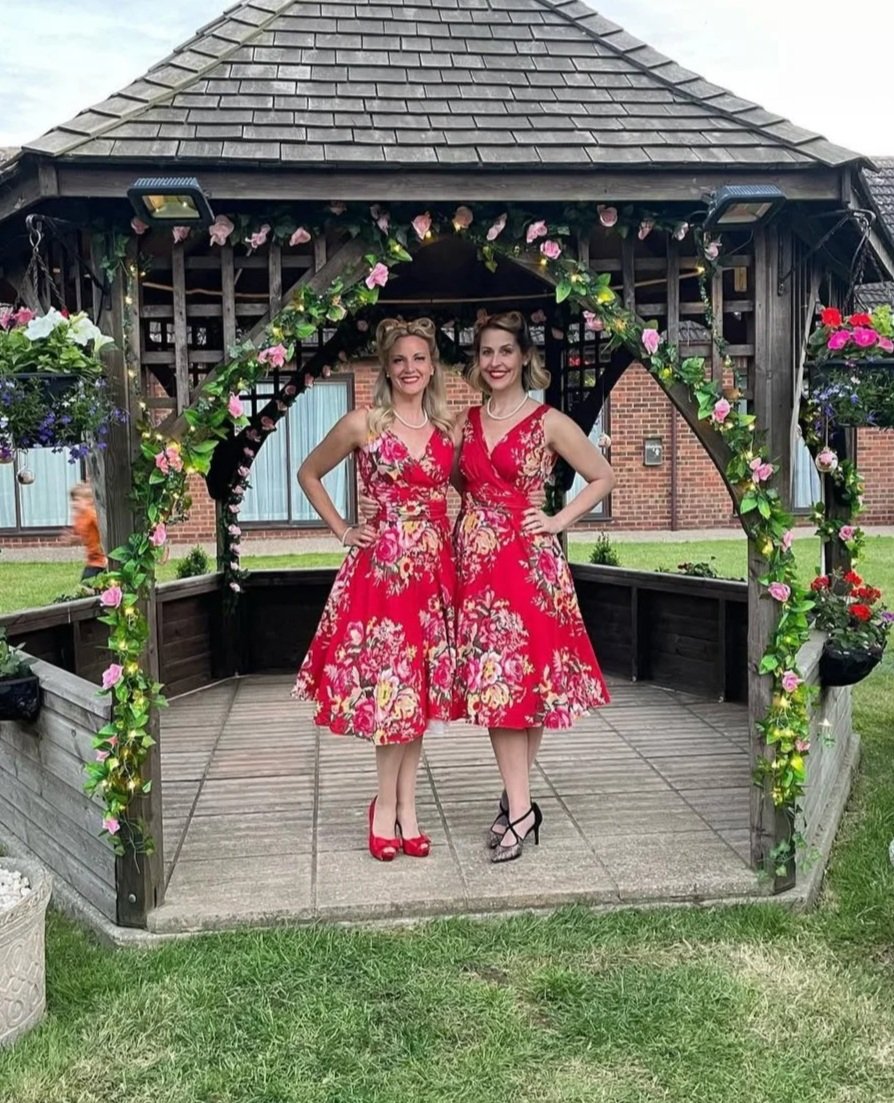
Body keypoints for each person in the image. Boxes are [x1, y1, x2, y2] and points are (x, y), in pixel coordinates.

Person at [454, 311, 615, 862]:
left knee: (526, 687)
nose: (495, 361)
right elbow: (452, 480)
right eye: (486, 352)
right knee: (497, 685)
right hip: (476, 569)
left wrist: (556, 520)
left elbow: (602, 476)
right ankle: (519, 802)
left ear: (524, 356)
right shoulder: (465, 422)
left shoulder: (548, 421)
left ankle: (518, 808)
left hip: (529, 565)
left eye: (505, 351)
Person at [293, 318, 457, 862]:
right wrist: (344, 529)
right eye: (398, 360)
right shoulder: (364, 423)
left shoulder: (449, 428)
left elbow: (479, 481)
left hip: (434, 572)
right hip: (384, 572)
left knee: (420, 695)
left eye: (419, 358)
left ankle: (407, 809)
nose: (410, 369)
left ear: (432, 365)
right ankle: (385, 809)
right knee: (393, 693)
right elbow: (309, 472)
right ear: (386, 368)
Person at [62, 482, 108, 582]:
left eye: (77, 500)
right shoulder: (78, 517)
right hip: (92, 560)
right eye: (73, 501)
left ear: (88, 501)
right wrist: (73, 540)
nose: (74, 504)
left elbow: (104, 529)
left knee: (89, 586)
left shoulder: (91, 514)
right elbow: (85, 536)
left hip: (101, 561)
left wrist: (105, 554)